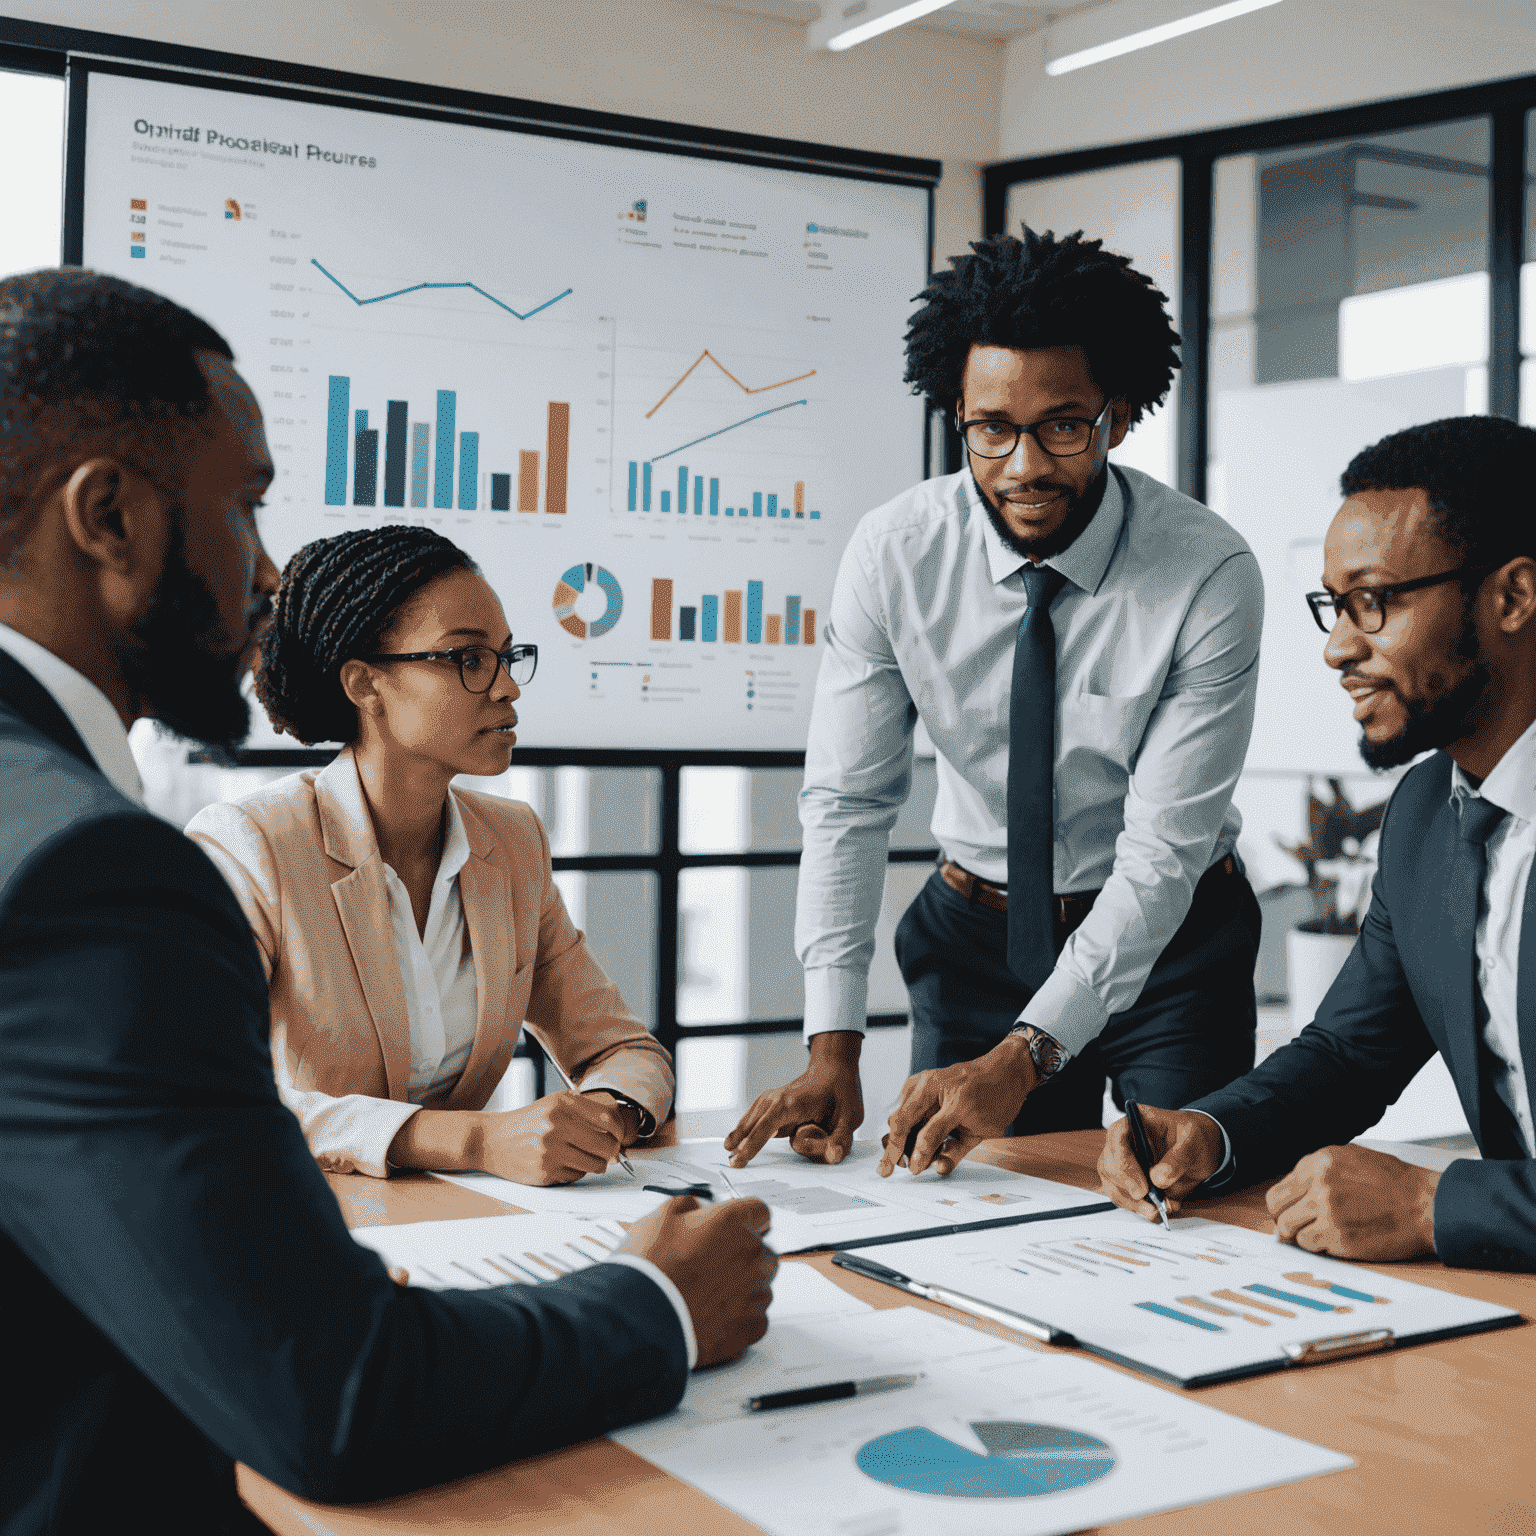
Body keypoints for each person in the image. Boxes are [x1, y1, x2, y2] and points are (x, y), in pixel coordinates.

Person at [0, 269, 775, 1535]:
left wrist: (605, 1105)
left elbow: (612, 1036)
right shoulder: (104, 871)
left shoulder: (507, 840)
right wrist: (662, 1306)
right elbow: (332, 1395)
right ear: (111, 517)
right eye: (244, 507)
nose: (263, 575)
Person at [727, 228, 1264, 1174]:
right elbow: (849, 803)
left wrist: (1027, 1053)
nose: (1023, 467)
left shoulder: (1207, 573)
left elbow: (1162, 855)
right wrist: (832, 1045)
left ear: (1120, 416)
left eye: (1062, 426)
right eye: (991, 429)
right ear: (959, 417)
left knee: (1185, 1199)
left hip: (1173, 944)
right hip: (978, 937)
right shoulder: (895, 555)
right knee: (963, 1203)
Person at [1099, 416, 1536, 1271]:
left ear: (1512, 597)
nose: (1339, 648)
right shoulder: (1425, 815)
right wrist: (1211, 1132)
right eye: (1334, 608)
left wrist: (1434, 1202)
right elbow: (1348, 1053)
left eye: (1375, 602)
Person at [187, 527, 673, 1184]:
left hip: (466, 1222)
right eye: (469, 659)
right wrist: (473, 1141)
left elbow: (621, 1047)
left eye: (508, 656)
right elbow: (202, 1089)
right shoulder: (251, 844)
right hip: (298, 1217)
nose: (508, 689)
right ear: (365, 684)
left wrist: (604, 1116)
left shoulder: (514, 842)